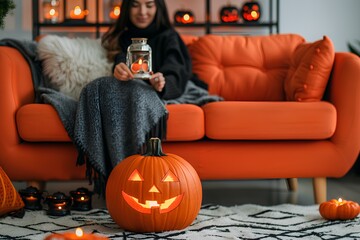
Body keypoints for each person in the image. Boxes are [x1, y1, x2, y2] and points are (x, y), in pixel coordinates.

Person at [101, 0, 192, 100]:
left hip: (160, 93)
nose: (142, 12)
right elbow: (121, 57)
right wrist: (120, 70)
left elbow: (176, 68)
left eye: (149, 5)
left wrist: (163, 83)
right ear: (127, 8)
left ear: (158, 7)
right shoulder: (121, 38)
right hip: (130, 93)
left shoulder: (169, 36)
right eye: (135, 5)